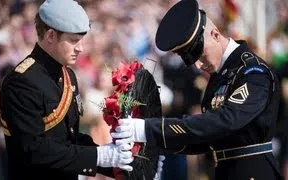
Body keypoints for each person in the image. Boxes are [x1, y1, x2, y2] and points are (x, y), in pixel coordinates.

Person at [111, 0, 283, 179]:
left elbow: (224, 121)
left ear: (215, 34)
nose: (199, 65)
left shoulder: (252, 71)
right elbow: (205, 139)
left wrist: (149, 129)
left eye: (201, 55)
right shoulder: (222, 74)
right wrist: (154, 141)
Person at [0, 0, 135, 179]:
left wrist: (119, 164)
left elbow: (72, 139)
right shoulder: (21, 82)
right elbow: (33, 149)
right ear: (51, 36)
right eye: (73, 40)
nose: (80, 48)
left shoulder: (68, 76)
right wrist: (98, 156)